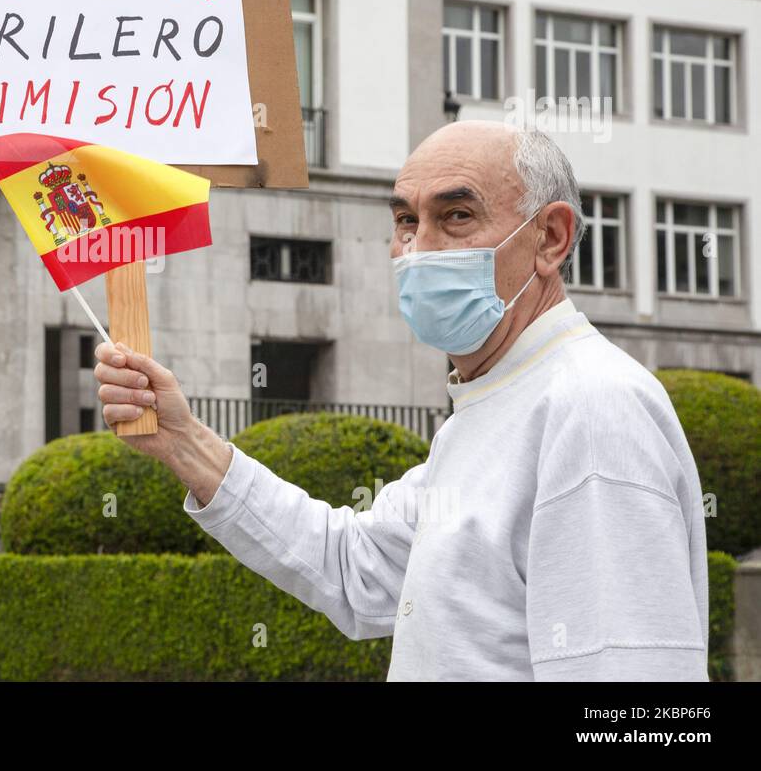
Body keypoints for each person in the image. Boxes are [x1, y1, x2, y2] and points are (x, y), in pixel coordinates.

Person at [93, 120, 709, 681]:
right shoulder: (492, 403)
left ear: (550, 238)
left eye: (458, 216)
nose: (419, 249)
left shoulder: (593, 406)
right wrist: (182, 441)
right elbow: (354, 569)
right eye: (406, 221)